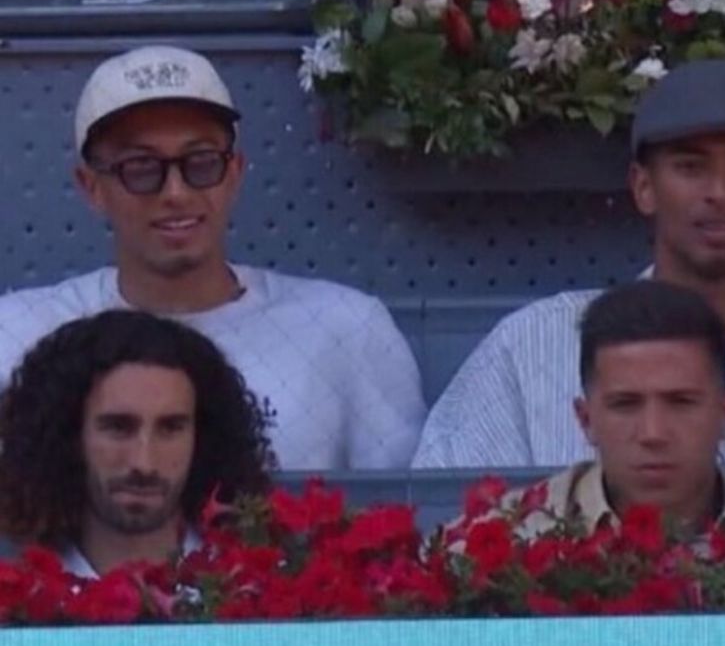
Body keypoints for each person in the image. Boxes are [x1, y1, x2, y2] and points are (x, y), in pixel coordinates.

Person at [414, 59, 725, 467]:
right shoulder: (530, 350)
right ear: (643, 187)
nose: (720, 192)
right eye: (691, 166)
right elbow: (445, 531)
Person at [0, 45, 426, 469]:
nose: (176, 193)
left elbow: (407, 500)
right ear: (91, 186)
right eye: (141, 167)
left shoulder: (346, 328)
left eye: (201, 162)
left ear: (235, 172)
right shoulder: (18, 333)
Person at [481, 281, 725, 581]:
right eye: (625, 404)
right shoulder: (507, 539)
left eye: (681, 402)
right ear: (585, 420)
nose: (653, 433)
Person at [0, 310, 276, 578]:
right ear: (69, 435)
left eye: (170, 428)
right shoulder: (17, 588)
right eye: (118, 428)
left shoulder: (256, 583)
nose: (144, 463)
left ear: (202, 437)